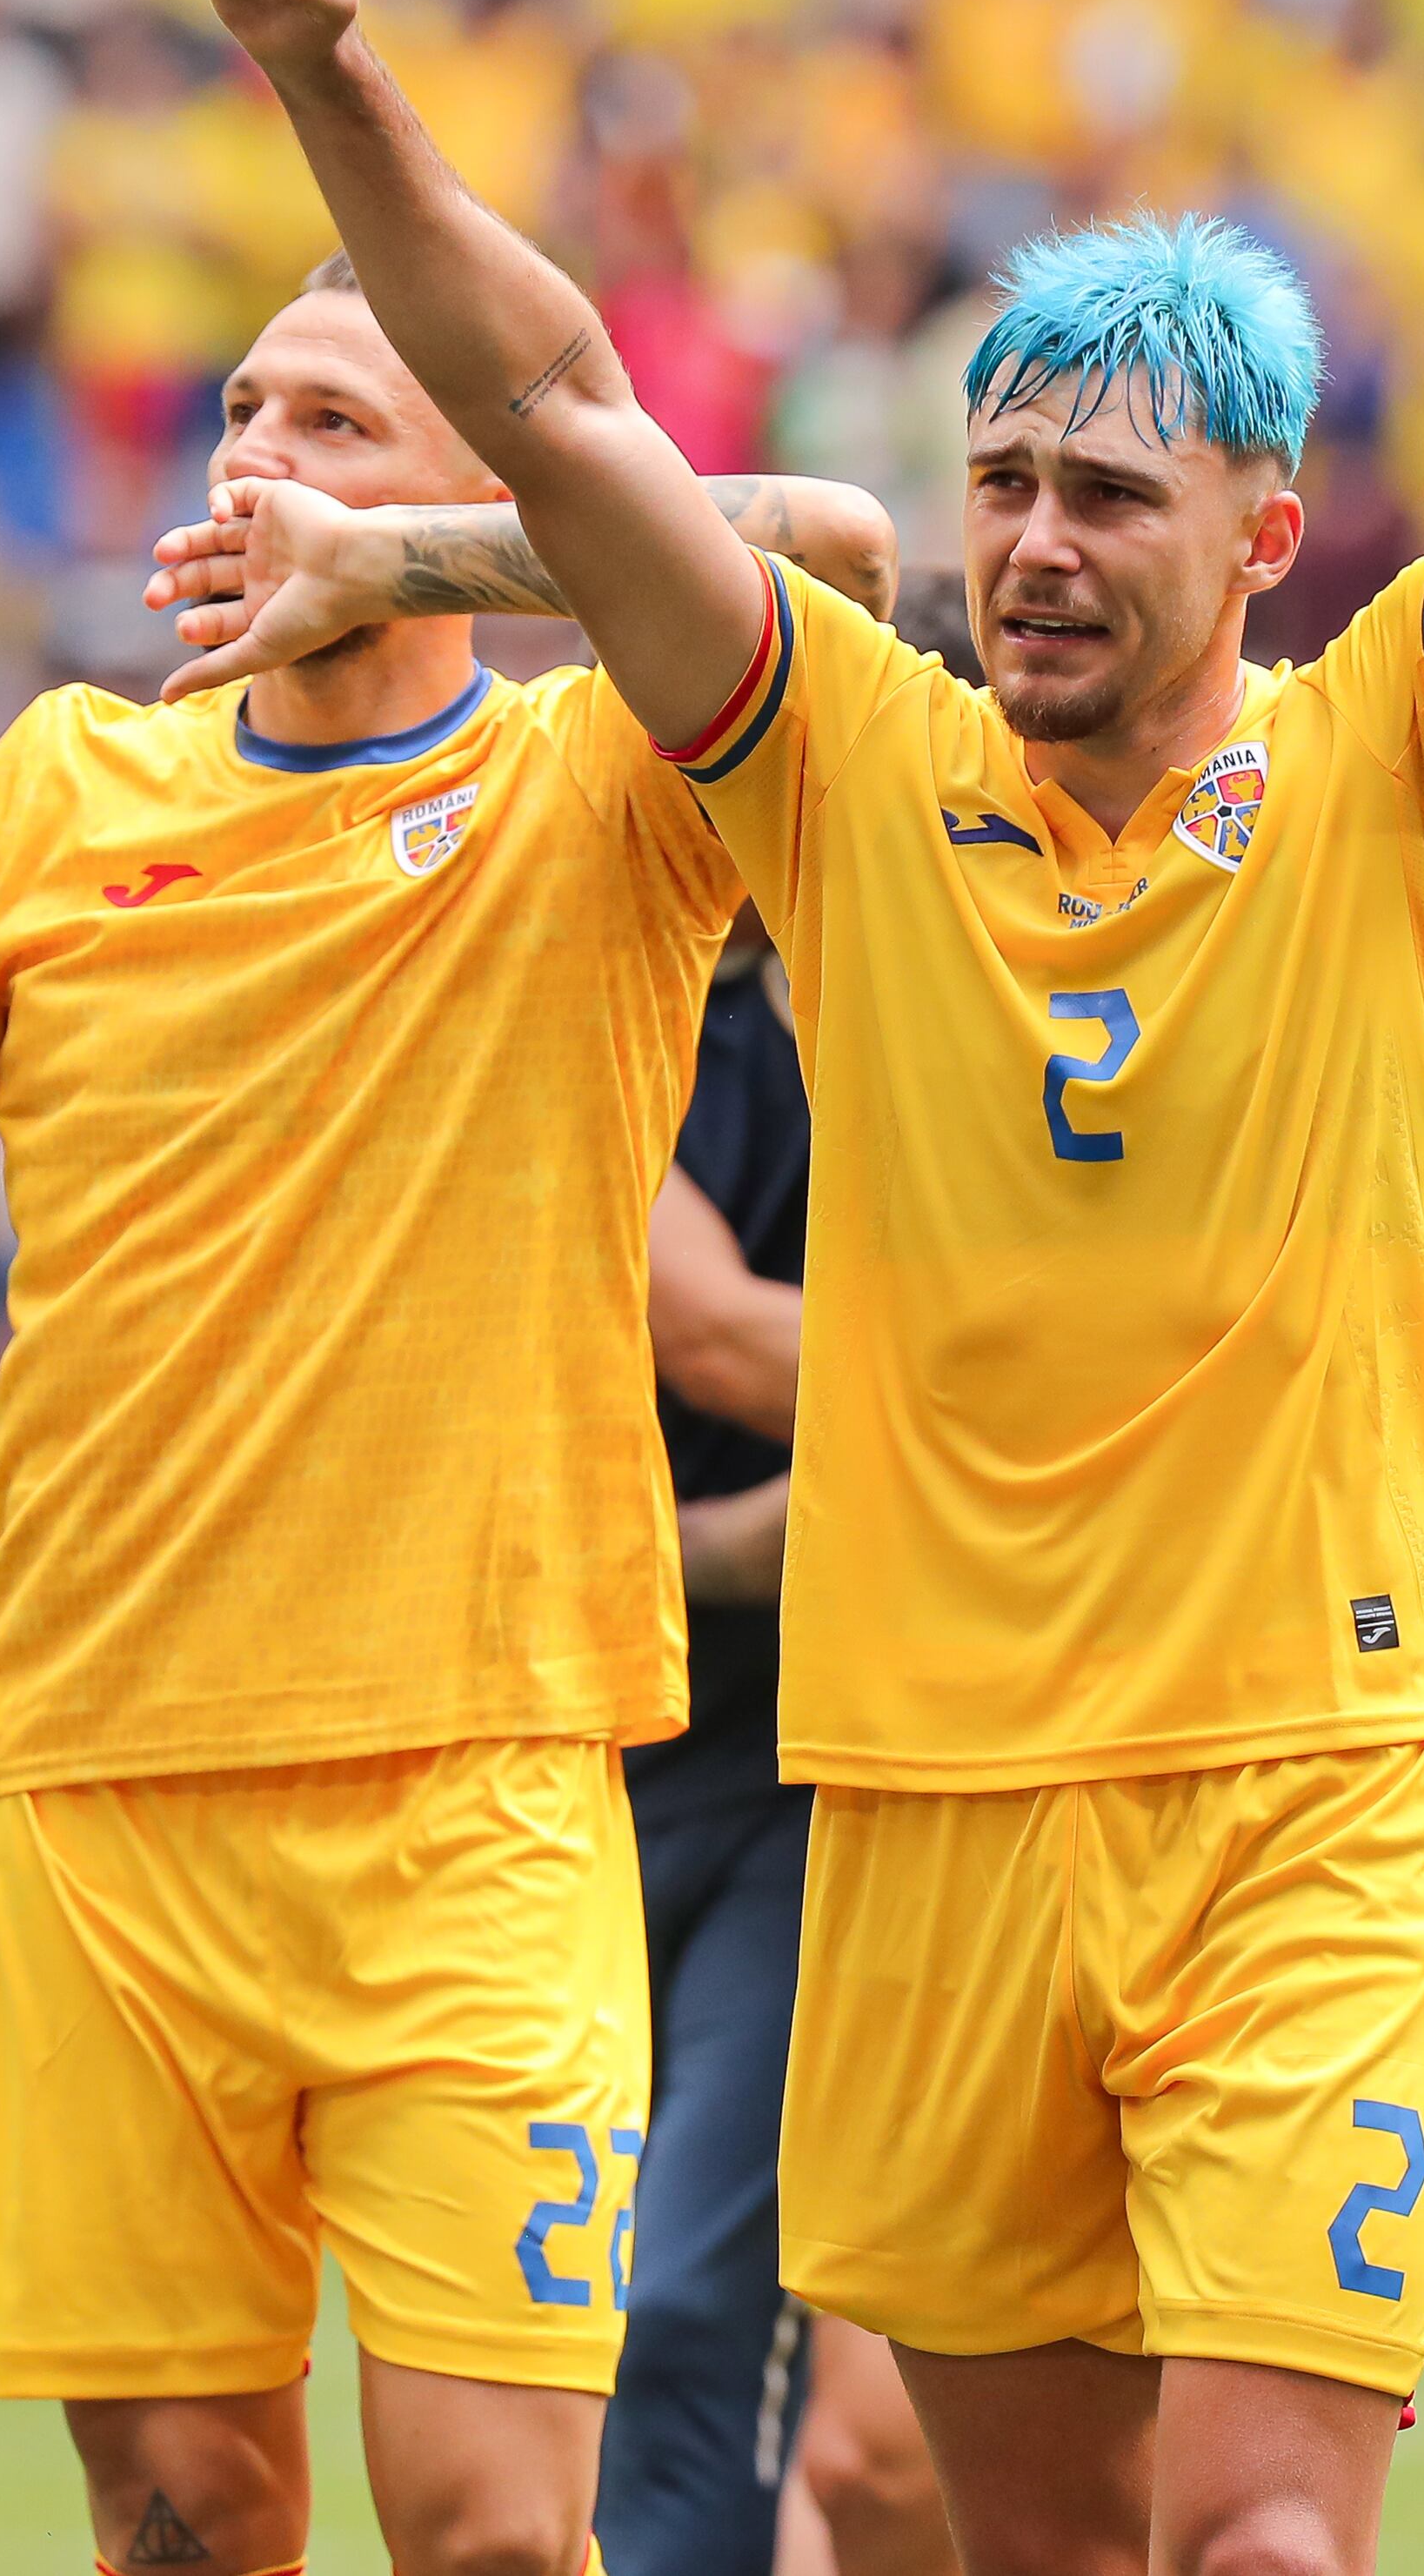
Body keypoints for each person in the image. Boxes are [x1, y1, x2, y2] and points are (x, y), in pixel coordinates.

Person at [156, 0, 1424, 2576]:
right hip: (931, 1791)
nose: (1040, 539)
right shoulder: (844, 762)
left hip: (1313, 1763)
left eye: (1107, 492)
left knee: (1266, 2543)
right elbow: (567, 401)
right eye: (1003, 485)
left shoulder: (1407, 771)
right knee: (1005, 2536)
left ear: (1266, 534)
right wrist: (323, 70)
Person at [0, 258, 888, 2576]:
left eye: (338, 421)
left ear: (494, 486)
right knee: (184, 2525)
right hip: (107, 1789)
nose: (251, 454)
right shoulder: (65, 787)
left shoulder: (589, 788)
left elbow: (842, 553)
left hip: (471, 1783)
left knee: (497, 2528)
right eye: (240, 408)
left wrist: (411, 564)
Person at [603, 900, 820, 2576]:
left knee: (691, 2306)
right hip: (565, 1745)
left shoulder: (944, 938)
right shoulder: (585, 968)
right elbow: (714, 1332)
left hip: (802, 1777)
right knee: (567, 2325)